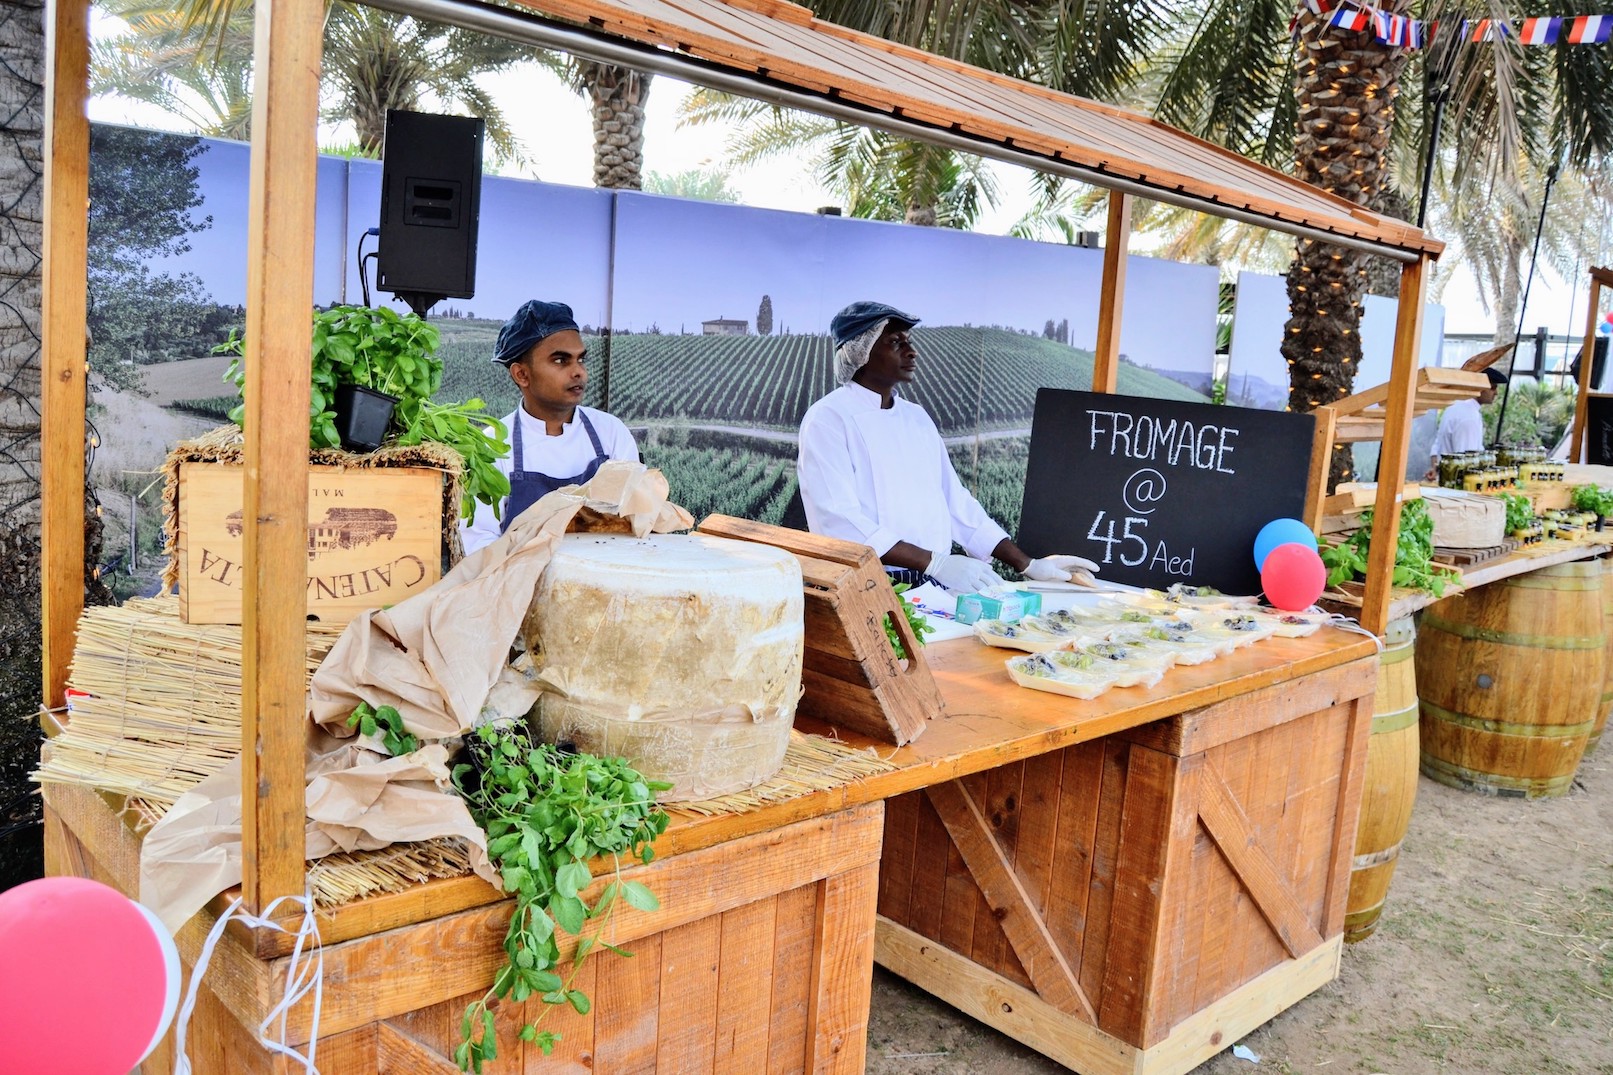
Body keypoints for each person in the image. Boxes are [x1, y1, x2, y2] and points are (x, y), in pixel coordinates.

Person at [797, 300, 1098, 593]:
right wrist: (936, 563)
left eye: (908, 340)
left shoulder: (916, 417)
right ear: (859, 352)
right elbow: (840, 522)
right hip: (868, 586)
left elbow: (956, 503)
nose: (911, 352)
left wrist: (1028, 564)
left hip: (933, 585)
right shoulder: (828, 420)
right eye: (895, 342)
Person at [460, 300, 638, 553]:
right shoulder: (493, 447)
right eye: (560, 361)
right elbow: (479, 543)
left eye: (580, 359)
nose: (579, 372)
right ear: (521, 375)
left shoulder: (610, 433)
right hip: (521, 586)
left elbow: (636, 519)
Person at [1426, 366, 1506, 478]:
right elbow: (1467, 463)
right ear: (1480, 387)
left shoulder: (1456, 406)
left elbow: (1436, 447)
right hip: (1455, 485)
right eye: (1493, 388)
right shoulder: (1468, 416)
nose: (1496, 393)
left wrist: (1435, 469)